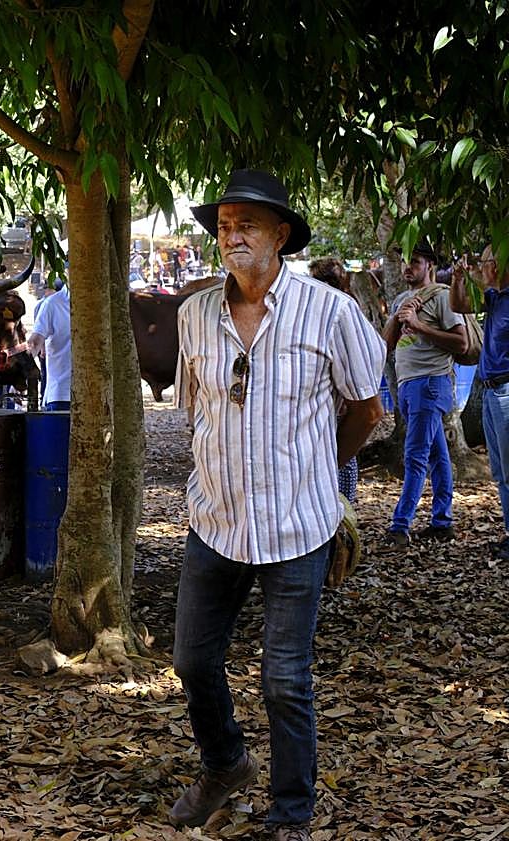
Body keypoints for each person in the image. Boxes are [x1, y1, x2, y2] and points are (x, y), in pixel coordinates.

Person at [172, 169, 384, 841]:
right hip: (215, 520)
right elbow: (196, 411)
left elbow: (367, 409)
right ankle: (226, 765)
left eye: (247, 225)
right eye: (224, 225)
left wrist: (321, 472)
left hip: (298, 523)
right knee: (192, 661)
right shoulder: (193, 315)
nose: (231, 236)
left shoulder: (330, 311)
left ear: (281, 234)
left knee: (284, 679)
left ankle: (292, 810)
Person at [381, 242, 467, 546]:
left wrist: (419, 325)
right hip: (408, 384)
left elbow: (461, 343)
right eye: (405, 260)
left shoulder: (443, 296)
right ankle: (442, 522)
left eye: (415, 261)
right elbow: (386, 344)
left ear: (429, 265)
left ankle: (399, 526)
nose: (408, 266)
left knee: (415, 455)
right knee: (437, 456)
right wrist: (398, 317)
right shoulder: (401, 300)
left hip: (430, 383)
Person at [451, 245, 509, 559]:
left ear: (498, 265)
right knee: (499, 471)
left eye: (484, 261)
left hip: (506, 391)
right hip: (490, 392)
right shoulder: (495, 297)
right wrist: (459, 278)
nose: (481, 267)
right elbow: (459, 305)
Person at [309, 256, 360, 503]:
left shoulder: (342, 309)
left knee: (341, 459)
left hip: (339, 398)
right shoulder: (316, 309)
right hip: (330, 400)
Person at [27, 272, 71, 411]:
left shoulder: (107, 304)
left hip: (101, 394)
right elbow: (35, 342)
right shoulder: (51, 304)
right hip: (62, 394)